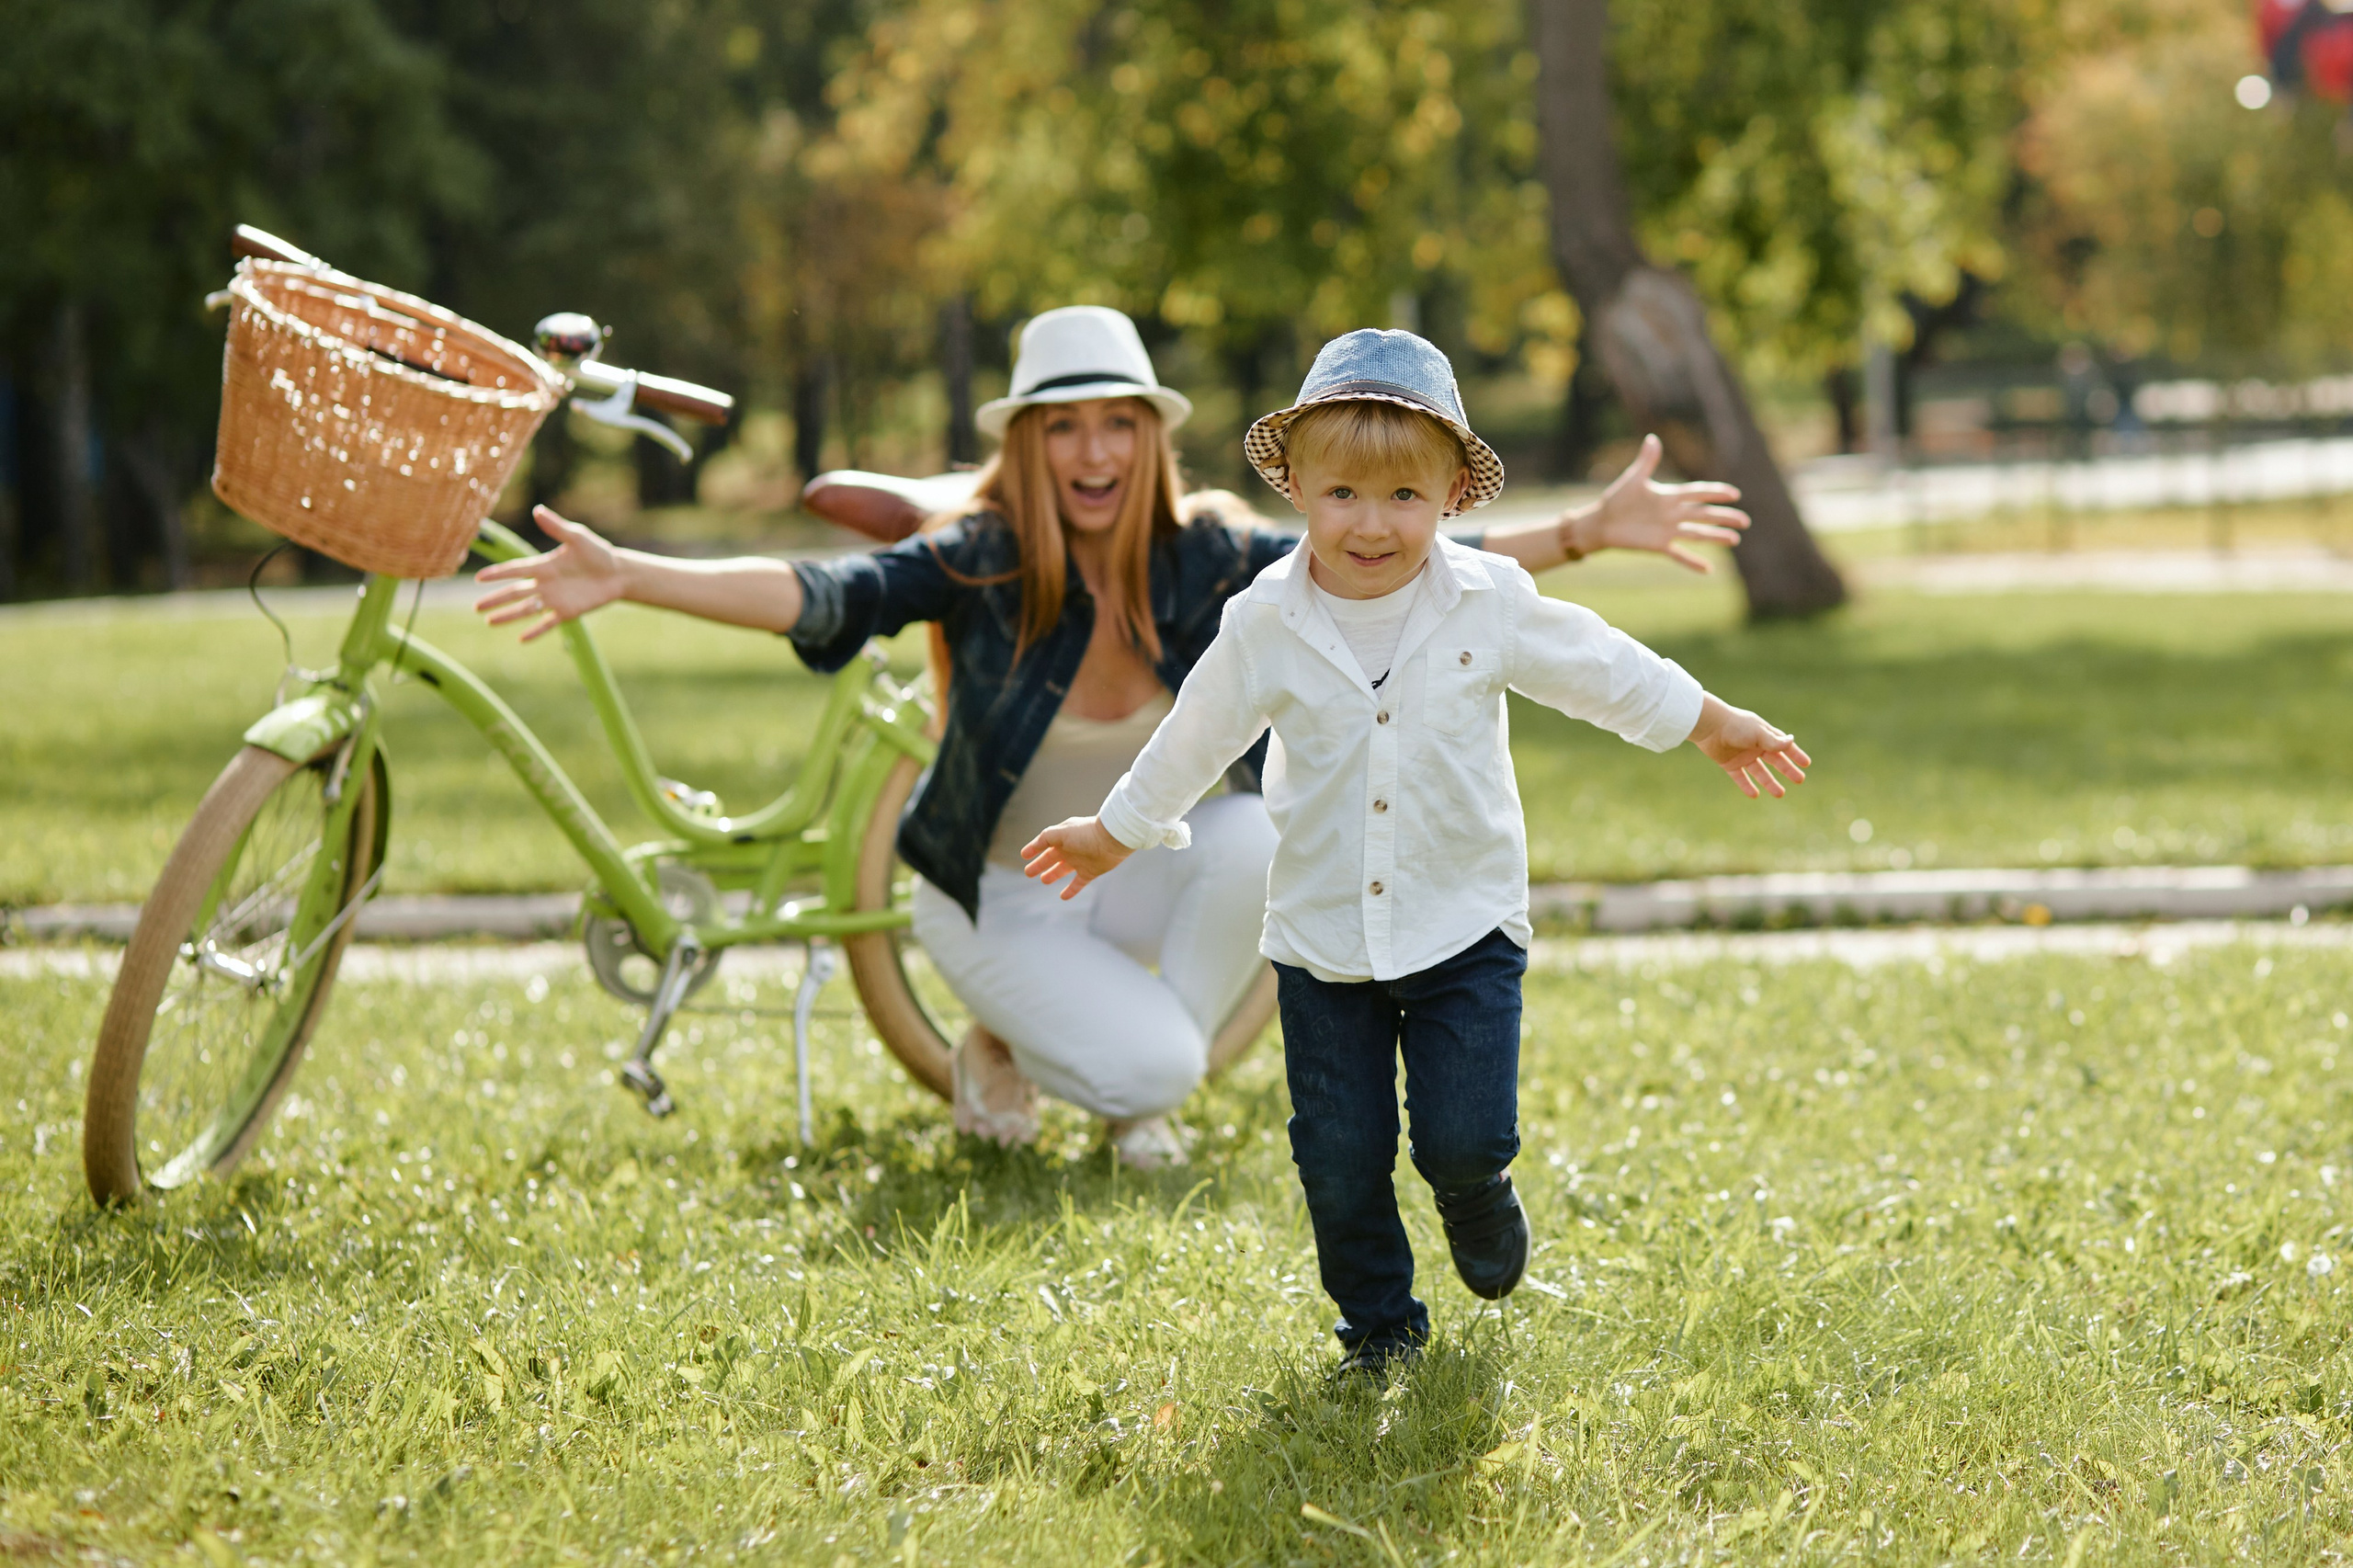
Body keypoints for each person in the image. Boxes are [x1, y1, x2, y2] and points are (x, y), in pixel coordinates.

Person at [474, 307, 1753, 1170]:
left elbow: (1413, 547)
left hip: (1139, 874)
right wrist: (631, 572)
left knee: (1256, 827)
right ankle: (1062, 1052)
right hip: (997, 894)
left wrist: (1588, 529)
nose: (1093, 448)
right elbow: (822, 595)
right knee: (1160, 1062)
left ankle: (1098, 1070)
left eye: (1118, 422)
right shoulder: (982, 559)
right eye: (1065, 424)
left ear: (1151, 437)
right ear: (1032, 444)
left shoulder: (1209, 557)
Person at [1020, 328, 1810, 1375]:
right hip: (1321, 939)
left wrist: (1705, 718)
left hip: (1463, 925)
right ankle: (1380, 1328)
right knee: (1338, 1158)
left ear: (1451, 498)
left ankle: (1477, 1191)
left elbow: (1598, 664)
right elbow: (1195, 733)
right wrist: (1115, 832)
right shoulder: (1262, 621)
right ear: (1295, 485)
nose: (1372, 523)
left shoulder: (1487, 601)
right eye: (1342, 492)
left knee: (1458, 1136)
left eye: (1404, 497)